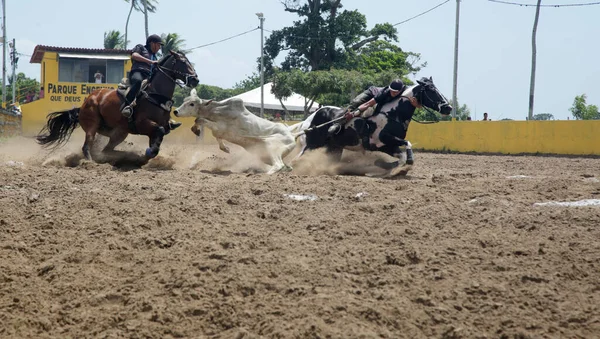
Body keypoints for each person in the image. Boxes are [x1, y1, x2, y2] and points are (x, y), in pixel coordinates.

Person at [121, 34, 181, 130]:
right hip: (138, 73)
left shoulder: (154, 56)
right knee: (138, 82)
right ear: (152, 44)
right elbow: (134, 55)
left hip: (149, 77)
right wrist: (150, 61)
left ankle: (167, 119)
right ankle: (127, 106)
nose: (159, 47)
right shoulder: (140, 48)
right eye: (158, 45)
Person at [328, 79, 406, 135]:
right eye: (391, 90)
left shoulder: (405, 90)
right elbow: (368, 104)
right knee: (356, 103)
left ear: (401, 90)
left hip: (382, 102)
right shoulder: (384, 93)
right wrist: (355, 113)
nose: (393, 93)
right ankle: (338, 123)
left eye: (396, 92)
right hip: (371, 94)